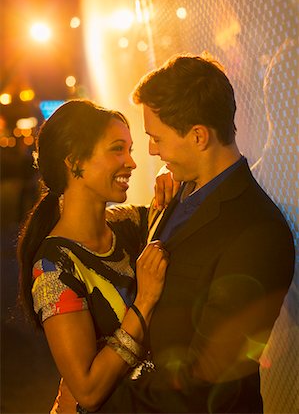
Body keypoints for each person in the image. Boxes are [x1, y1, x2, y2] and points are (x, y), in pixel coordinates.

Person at [95, 53, 295, 413]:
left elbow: (207, 376)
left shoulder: (258, 232)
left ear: (199, 136)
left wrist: (101, 399)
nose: (152, 150)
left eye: (157, 138)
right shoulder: (180, 190)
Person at [17, 99, 169, 413]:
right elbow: (87, 390)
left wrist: (172, 183)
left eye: (130, 149)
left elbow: (164, 213)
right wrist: (143, 304)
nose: (131, 162)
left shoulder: (129, 226)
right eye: (117, 149)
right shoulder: (52, 267)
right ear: (75, 163)